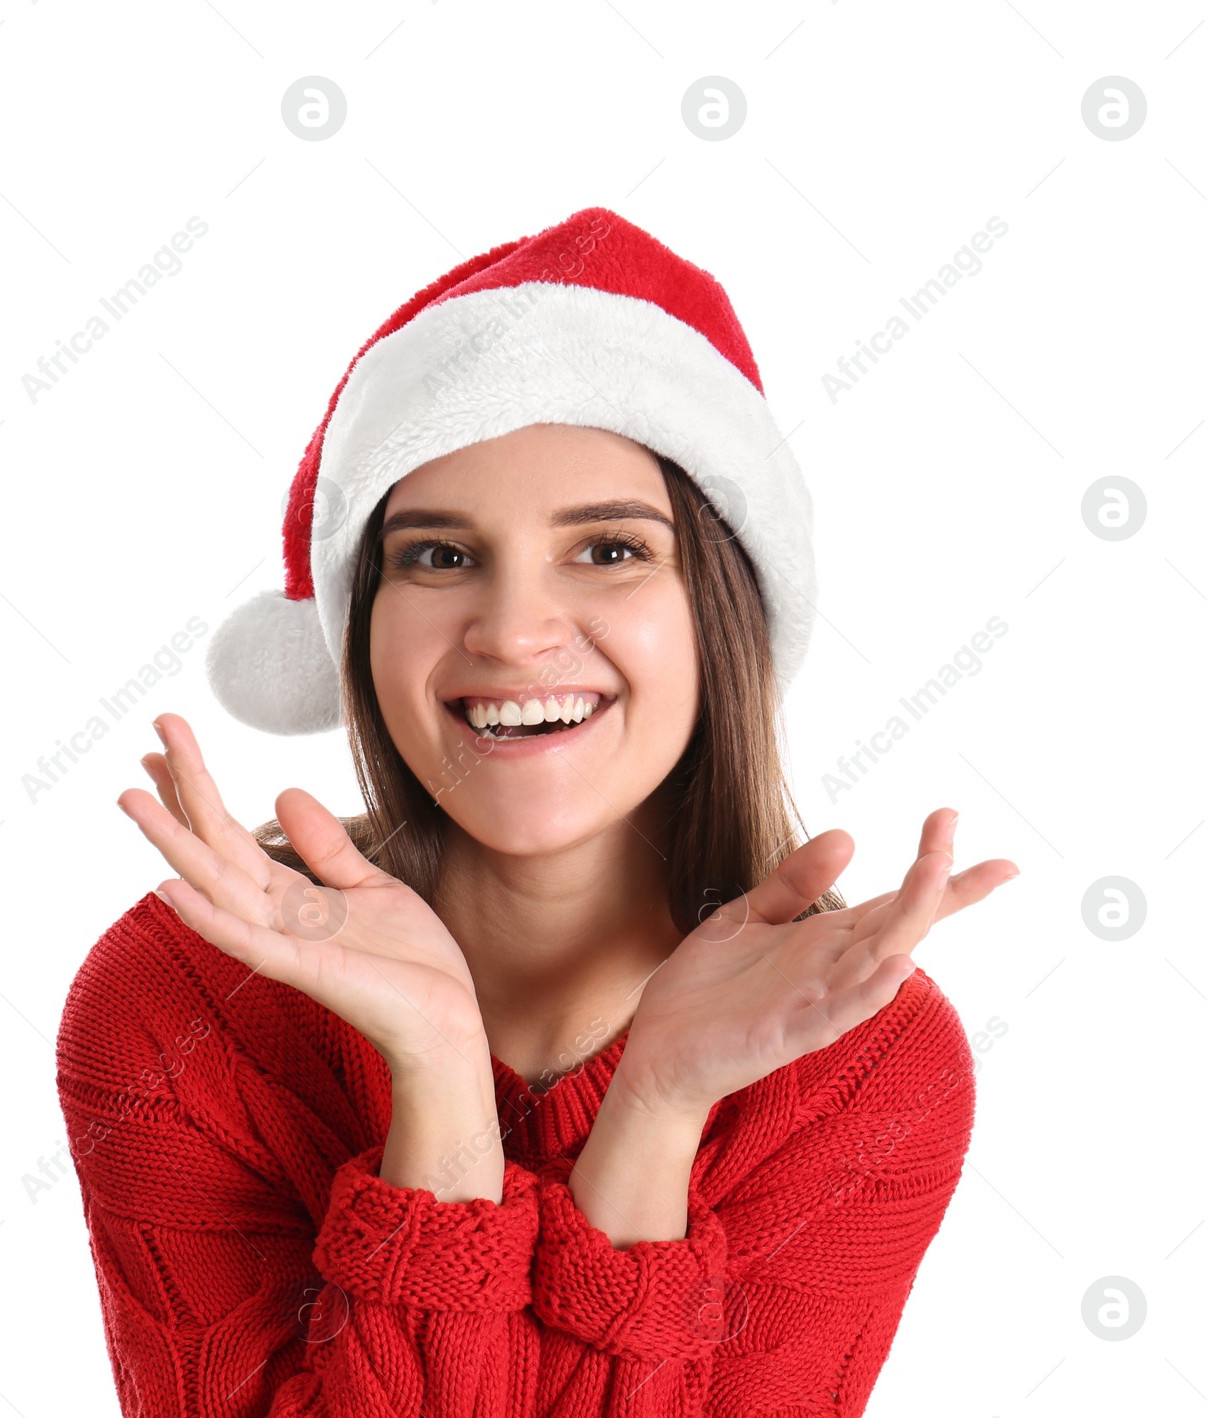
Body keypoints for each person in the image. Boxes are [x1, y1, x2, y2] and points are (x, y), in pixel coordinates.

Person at [55, 206, 1019, 1417]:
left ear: (718, 610)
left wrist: (658, 1107)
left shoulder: (860, 1059)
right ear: (359, 627)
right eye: (439, 557)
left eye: (609, 550)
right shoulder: (181, 1002)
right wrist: (438, 1076)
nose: (512, 632)